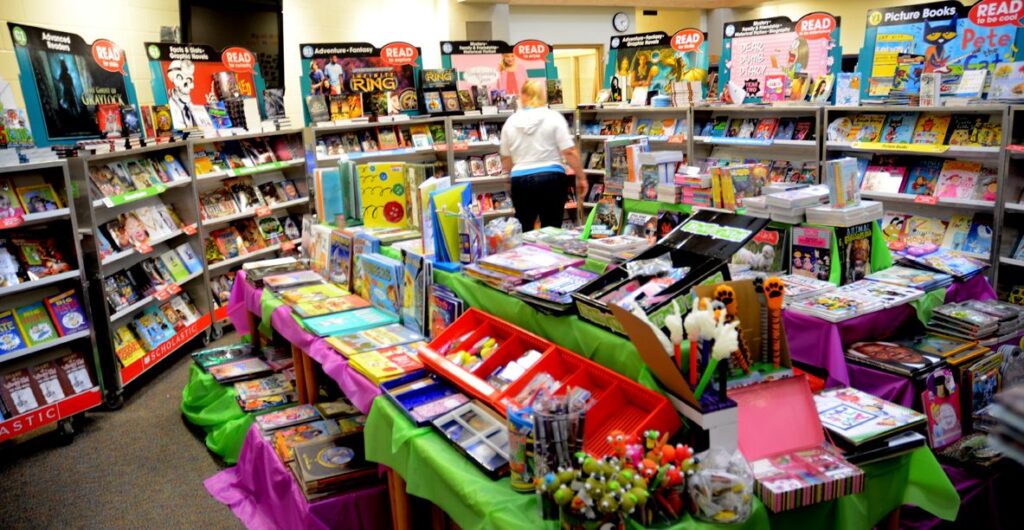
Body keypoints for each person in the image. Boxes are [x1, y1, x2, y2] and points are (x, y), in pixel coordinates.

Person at [500, 80, 586, 229]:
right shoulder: (554, 117)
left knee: (524, 229)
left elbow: (506, 158)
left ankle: (525, 252)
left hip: (520, 179)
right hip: (552, 178)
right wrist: (581, 177)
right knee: (552, 229)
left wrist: (509, 178)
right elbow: (569, 151)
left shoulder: (510, 122)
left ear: (523, 96)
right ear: (542, 96)